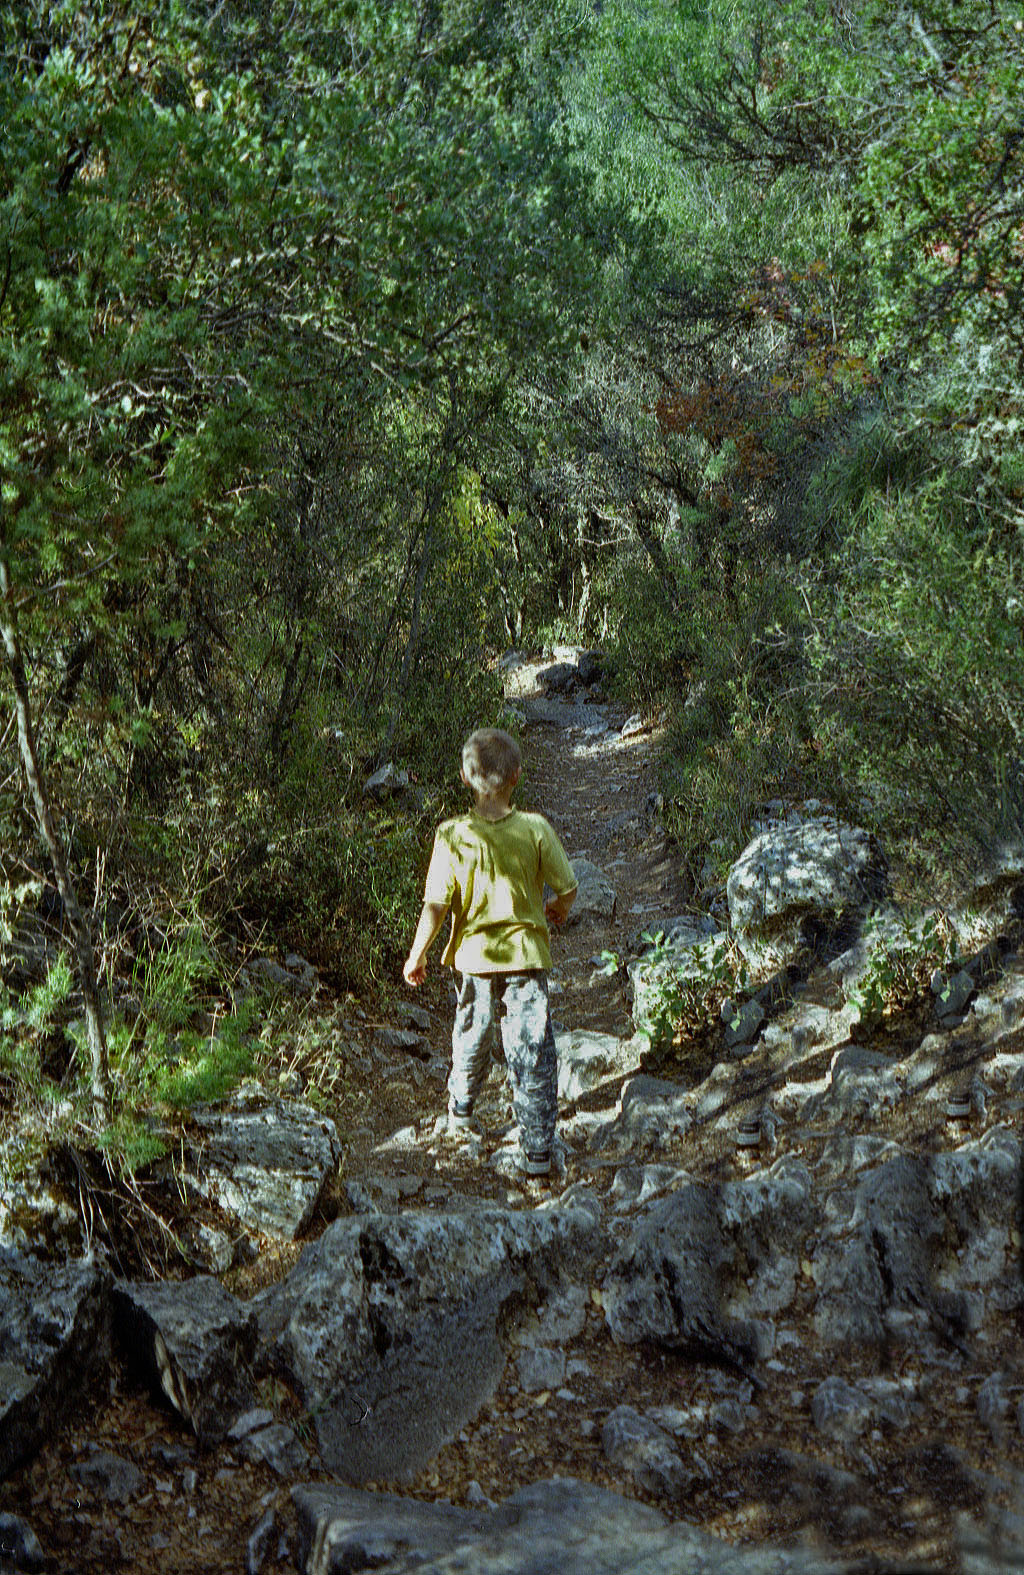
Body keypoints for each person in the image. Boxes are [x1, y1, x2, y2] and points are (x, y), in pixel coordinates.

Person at [403, 727, 577, 1177]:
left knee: (473, 1033)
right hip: (526, 957)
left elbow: (436, 906)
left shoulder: (452, 835)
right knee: (531, 1047)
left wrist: (417, 953)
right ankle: (538, 1148)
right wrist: (556, 909)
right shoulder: (535, 829)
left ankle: (461, 1111)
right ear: (518, 775)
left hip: (473, 960)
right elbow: (568, 887)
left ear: (464, 777)